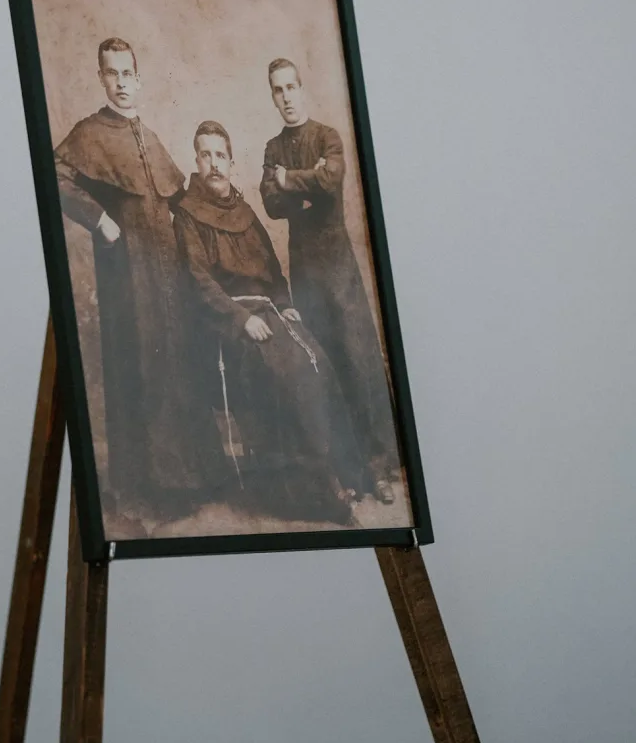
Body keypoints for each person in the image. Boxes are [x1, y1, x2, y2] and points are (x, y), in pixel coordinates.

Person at [54, 38, 224, 528]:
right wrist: (99, 220)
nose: (121, 83)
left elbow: (177, 195)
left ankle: (192, 477)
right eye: (112, 74)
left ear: (139, 78)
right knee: (141, 366)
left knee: (176, 361)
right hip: (128, 275)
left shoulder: (148, 134)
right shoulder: (90, 132)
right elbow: (54, 175)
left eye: (127, 73)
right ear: (101, 79)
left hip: (168, 272)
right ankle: (151, 487)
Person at [173, 119, 362, 526]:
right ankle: (308, 490)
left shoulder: (243, 210)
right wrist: (241, 319)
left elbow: (272, 270)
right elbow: (198, 281)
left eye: (220, 155)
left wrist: (284, 304)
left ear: (230, 161)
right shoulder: (187, 215)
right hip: (226, 322)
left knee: (316, 360)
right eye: (205, 155)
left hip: (268, 312)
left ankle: (340, 473)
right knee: (288, 372)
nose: (214, 164)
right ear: (197, 161)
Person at [260, 58, 400, 503]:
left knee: (357, 357)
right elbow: (272, 204)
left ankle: (379, 467)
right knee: (323, 362)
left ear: (302, 88)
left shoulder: (328, 137)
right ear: (272, 96)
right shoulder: (272, 148)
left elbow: (330, 178)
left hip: (338, 265)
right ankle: (346, 471)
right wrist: (306, 190)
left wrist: (290, 181)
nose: (286, 96)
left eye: (291, 87)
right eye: (277, 89)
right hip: (304, 268)